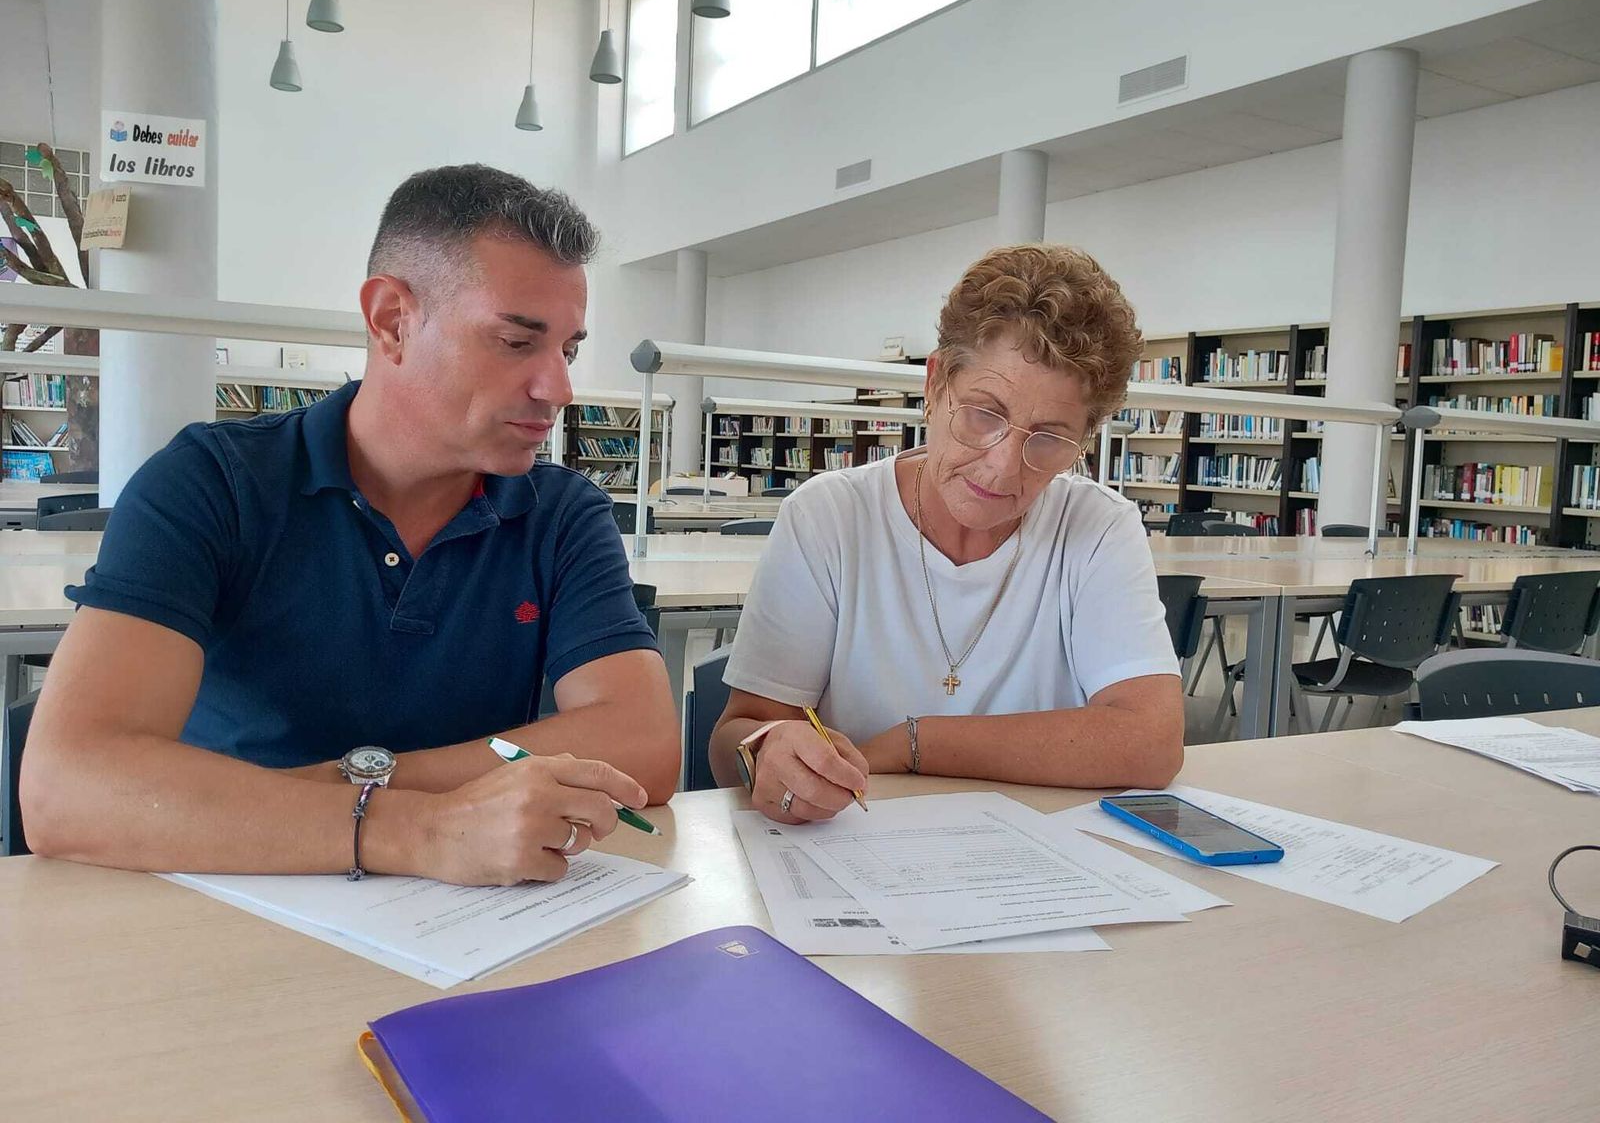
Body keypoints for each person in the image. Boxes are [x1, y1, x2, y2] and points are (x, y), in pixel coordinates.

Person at [22, 164, 680, 884]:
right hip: (229, 897)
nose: (559, 388)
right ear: (392, 320)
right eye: (516, 342)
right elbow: (66, 788)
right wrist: (421, 828)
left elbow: (642, 744)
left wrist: (341, 787)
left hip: (473, 909)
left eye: (568, 349)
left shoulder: (562, 514)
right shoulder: (212, 483)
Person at [709, 244, 1183, 822]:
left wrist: (915, 744)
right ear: (936, 384)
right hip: (854, 847)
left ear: (1083, 439)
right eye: (984, 413)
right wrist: (769, 753)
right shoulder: (829, 517)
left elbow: (1151, 742)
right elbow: (738, 737)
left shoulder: (1099, 526)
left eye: (1050, 438)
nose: (1003, 467)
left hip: (1030, 860)